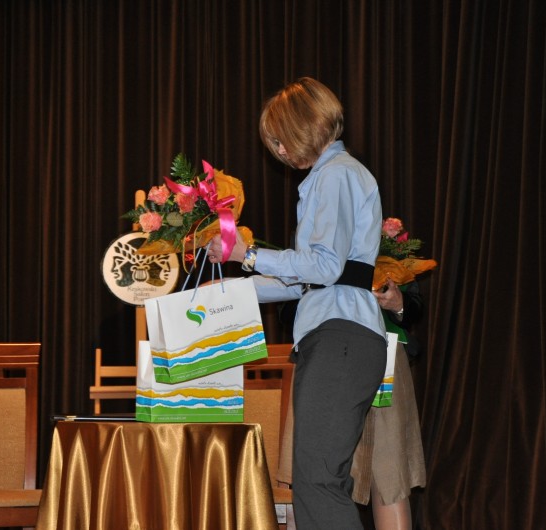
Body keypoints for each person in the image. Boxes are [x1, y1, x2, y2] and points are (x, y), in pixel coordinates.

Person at [207, 77, 386, 529]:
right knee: (316, 479)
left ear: (305, 125)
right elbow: (309, 280)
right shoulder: (330, 177)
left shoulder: (336, 175)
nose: (280, 152)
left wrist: (247, 254)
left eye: (280, 140)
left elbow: (322, 267)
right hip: (337, 333)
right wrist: (225, 292)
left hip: (341, 336)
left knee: (318, 481)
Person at [351, 277, 426, 530]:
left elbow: (414, 307)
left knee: (388, 470)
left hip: (385, 356)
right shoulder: (309, 250)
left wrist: (399, 304)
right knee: (318, 470)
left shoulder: (391, 254)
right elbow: (288, 309)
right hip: (324, 355)